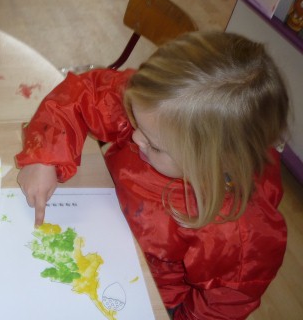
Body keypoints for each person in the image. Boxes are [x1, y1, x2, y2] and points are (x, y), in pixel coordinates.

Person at [15, 31, 289, 320]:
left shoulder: (238, 234)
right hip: (100, 220)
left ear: (207, 164)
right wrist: (45, 155)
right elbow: (85, 93)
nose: (134, 137)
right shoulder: (159, 105)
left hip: (148, 291)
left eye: (154, 146)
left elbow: (220, 306)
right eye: (135, 120)